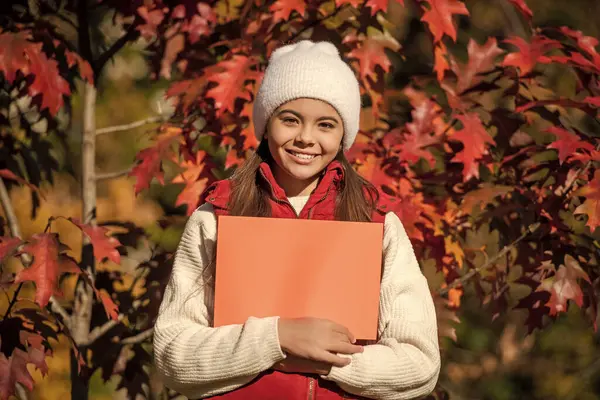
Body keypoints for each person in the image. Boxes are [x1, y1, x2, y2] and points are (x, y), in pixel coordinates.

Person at [153, 40, 440, 400]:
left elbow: (419, 365)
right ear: (266, 124)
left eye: (325, 124)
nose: (306, 137)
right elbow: (172, 355)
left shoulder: (376, 221)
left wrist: (321, 358)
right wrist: (275, 338)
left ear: (343, 135)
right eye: (290, 120)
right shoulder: (218, 216)